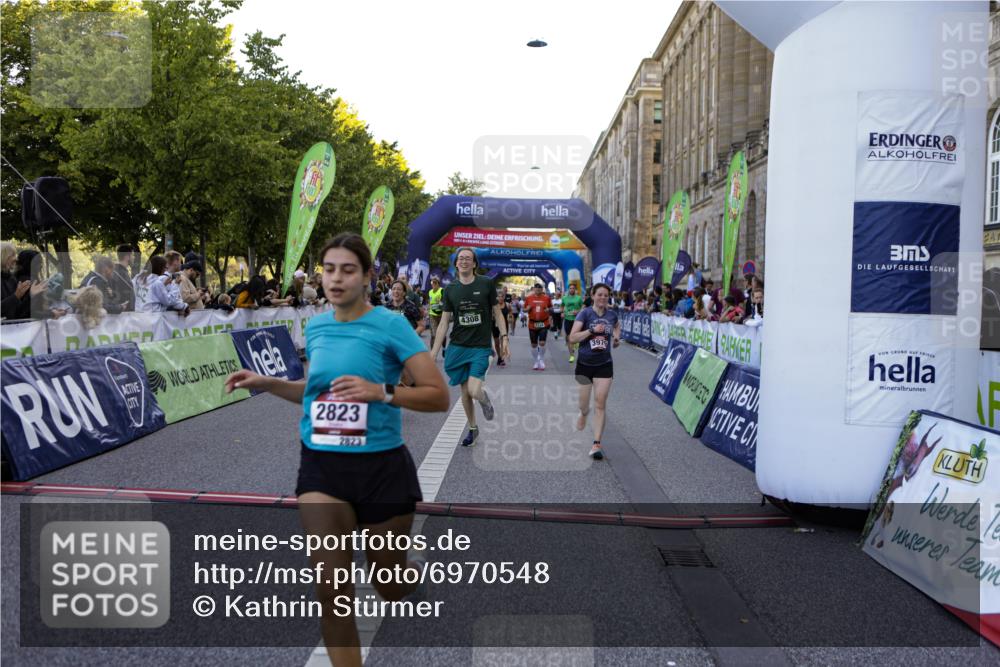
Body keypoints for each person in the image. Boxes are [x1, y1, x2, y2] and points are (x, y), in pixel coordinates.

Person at [224, 232, 449, 667]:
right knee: (331, 591)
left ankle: (407, 577)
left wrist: (381, 392)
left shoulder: (391, 324)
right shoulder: (318, 326)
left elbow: (437, 396)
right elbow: (317, 390)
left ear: (367, 277)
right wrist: (268, 383)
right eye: (329, 269)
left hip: (381, 467)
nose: (336, 278)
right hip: (322, 466)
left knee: (388, 584)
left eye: (347, 270)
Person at [430, 247, 508, 447]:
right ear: (456, 264)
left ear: (474, 264)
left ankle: (484, 400)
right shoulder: (450, 290)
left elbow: (497, 313)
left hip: (480, 347)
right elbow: (444, 322)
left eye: (468, 258)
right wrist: (433, 353)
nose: (464, 261)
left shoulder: (486, 284)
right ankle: (473, 428)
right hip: (458, 346)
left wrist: (505, 337)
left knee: (474, 390)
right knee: (464, 392)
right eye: (460, 258)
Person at [569, 283, 621, 461]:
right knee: (584, 405)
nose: (603, 298)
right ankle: (583, 413)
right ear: (593, 296)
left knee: (600, 403)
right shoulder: (585, 314)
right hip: (584, 363)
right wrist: (591, 331)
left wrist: (616, 338)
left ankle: (596, 443)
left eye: (606, 295)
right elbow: (572, 337)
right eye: (600, 295)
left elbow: (616, 326)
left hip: (604, 363)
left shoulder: (612, 314)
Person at [523, 283, 552, 371]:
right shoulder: (528, 298)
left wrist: (549, 310)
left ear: (542, 289)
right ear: (533, 289)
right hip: (532, 324)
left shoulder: (546, 298)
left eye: (540, 288)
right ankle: (536, 361)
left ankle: (541, 359)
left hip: (543, 323)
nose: (538, 290)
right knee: (534, 344)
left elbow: (551, 308)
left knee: (542, 343)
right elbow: (524, 309)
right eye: (536, 288)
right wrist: (527, 309)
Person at [561, 282, 584, 363]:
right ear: (568, 289)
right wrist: (562, 313)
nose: (572, 289)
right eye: (570, 288)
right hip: (567, 319)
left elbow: (583, 307)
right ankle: (571, 355)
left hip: (577, 320)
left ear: (575, 290)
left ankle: (576, 343)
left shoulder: (578, 298)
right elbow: (562, 306)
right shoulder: (564, 298)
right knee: (568, 337)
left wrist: (578, 311)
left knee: (575, 336)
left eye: (573, 288)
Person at [111, 244, 135, 311]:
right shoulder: (120, 273)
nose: (134, 257)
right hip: (122, 315)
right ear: (127, 257)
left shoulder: (120, 271)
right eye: (132, 255)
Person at [491, 284, 510, 368]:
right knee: (497, 343)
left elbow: (511, 314)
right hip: (494, 326)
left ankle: (502, 359)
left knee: (503, 343)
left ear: (504, 297)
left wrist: (510, 318)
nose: (500, 298)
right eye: (498, 297)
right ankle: (499, 356)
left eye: (502, 296)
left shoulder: (507, 305)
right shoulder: (493, 306)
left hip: (504, 326)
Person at [427, 276, 445, 350]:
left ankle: (444, 348)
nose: (433, 284)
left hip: (441, 315)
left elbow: (445, 301)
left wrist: (440, 302)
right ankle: (432, 353)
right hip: (432, 315)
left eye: (435, 283)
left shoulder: (442, 291)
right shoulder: (430, 292)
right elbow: (430, 302)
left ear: (438, 284)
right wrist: (429, 307)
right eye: (432, 283)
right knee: (434, 335)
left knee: (442, 334)